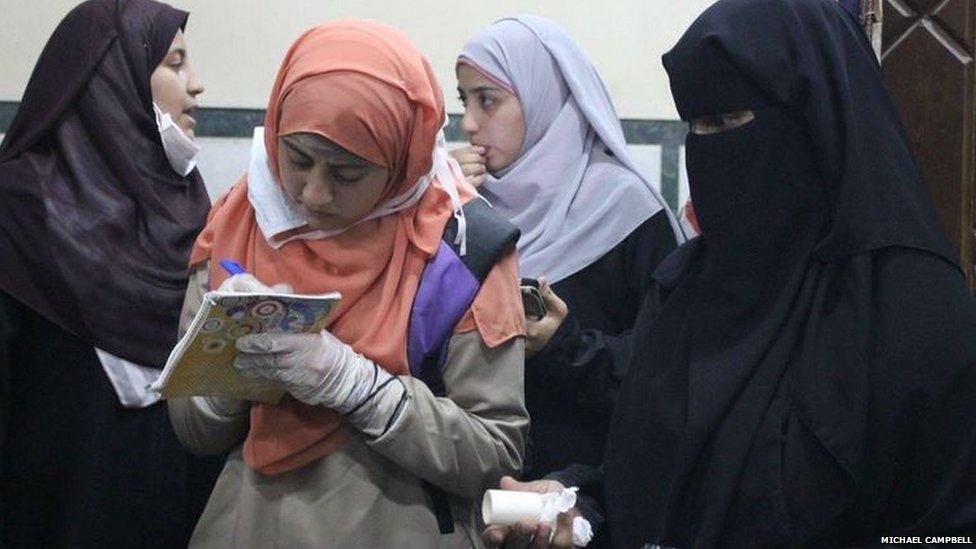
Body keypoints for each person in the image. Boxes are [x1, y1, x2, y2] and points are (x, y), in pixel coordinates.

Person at [489, 0, 976, 546]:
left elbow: (945, 532)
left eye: (727, 120)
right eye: (696, 125)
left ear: (810, 118)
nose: (710, 150)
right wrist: (576, 509)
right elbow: (650, 472)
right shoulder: (685, 286)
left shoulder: (912, 306)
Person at [167, 19, 529, 547]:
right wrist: (227, 379)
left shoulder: (462, 246)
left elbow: (495, 453)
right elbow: (192, 433)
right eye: (296, 159)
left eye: (347, 174)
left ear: (401, 161)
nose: (313, 194)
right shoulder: (239, 222)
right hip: (249, 525)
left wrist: (360, 388)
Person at [0, 0, 219, 546]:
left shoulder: (186, 204)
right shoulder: (18, 209)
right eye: (174, 63)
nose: (197, 86)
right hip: (51, 512)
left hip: (165, 510)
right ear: (111, 77)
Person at [452, 16, 685, 493]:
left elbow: (665, 374)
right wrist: (435, 206)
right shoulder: (465, 208)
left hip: (592, 497)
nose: (469, 123)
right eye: (465, 101)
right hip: (474, 494)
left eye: (487, 100)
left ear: (543, 98)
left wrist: (563, 346)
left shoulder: (626, 212)